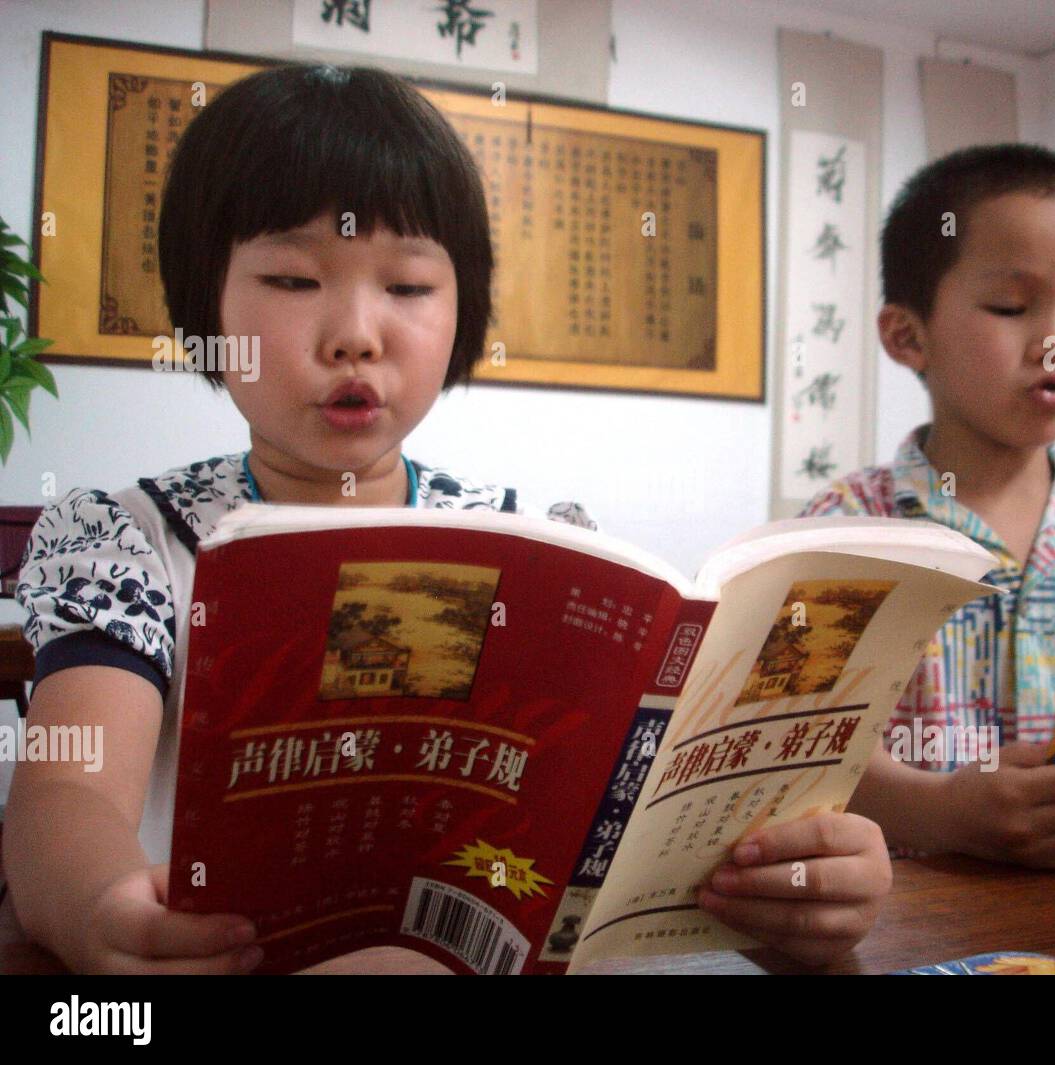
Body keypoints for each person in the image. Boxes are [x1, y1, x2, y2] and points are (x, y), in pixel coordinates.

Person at [6, 63, 887, 974]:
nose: (355, 332)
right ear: (205, 303)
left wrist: (796, 885)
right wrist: (99, 915)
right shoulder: (124, 541)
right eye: (292, 278)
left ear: (462, 309)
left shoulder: (540, 546)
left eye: (410, 287)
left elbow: (628, 838)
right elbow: (64, 798)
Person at [802, 144, 1055, 870]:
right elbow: (802, 735)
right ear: (908, 335)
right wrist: (941, 812)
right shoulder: (847, 524)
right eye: (1011, 305)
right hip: (908, 921)